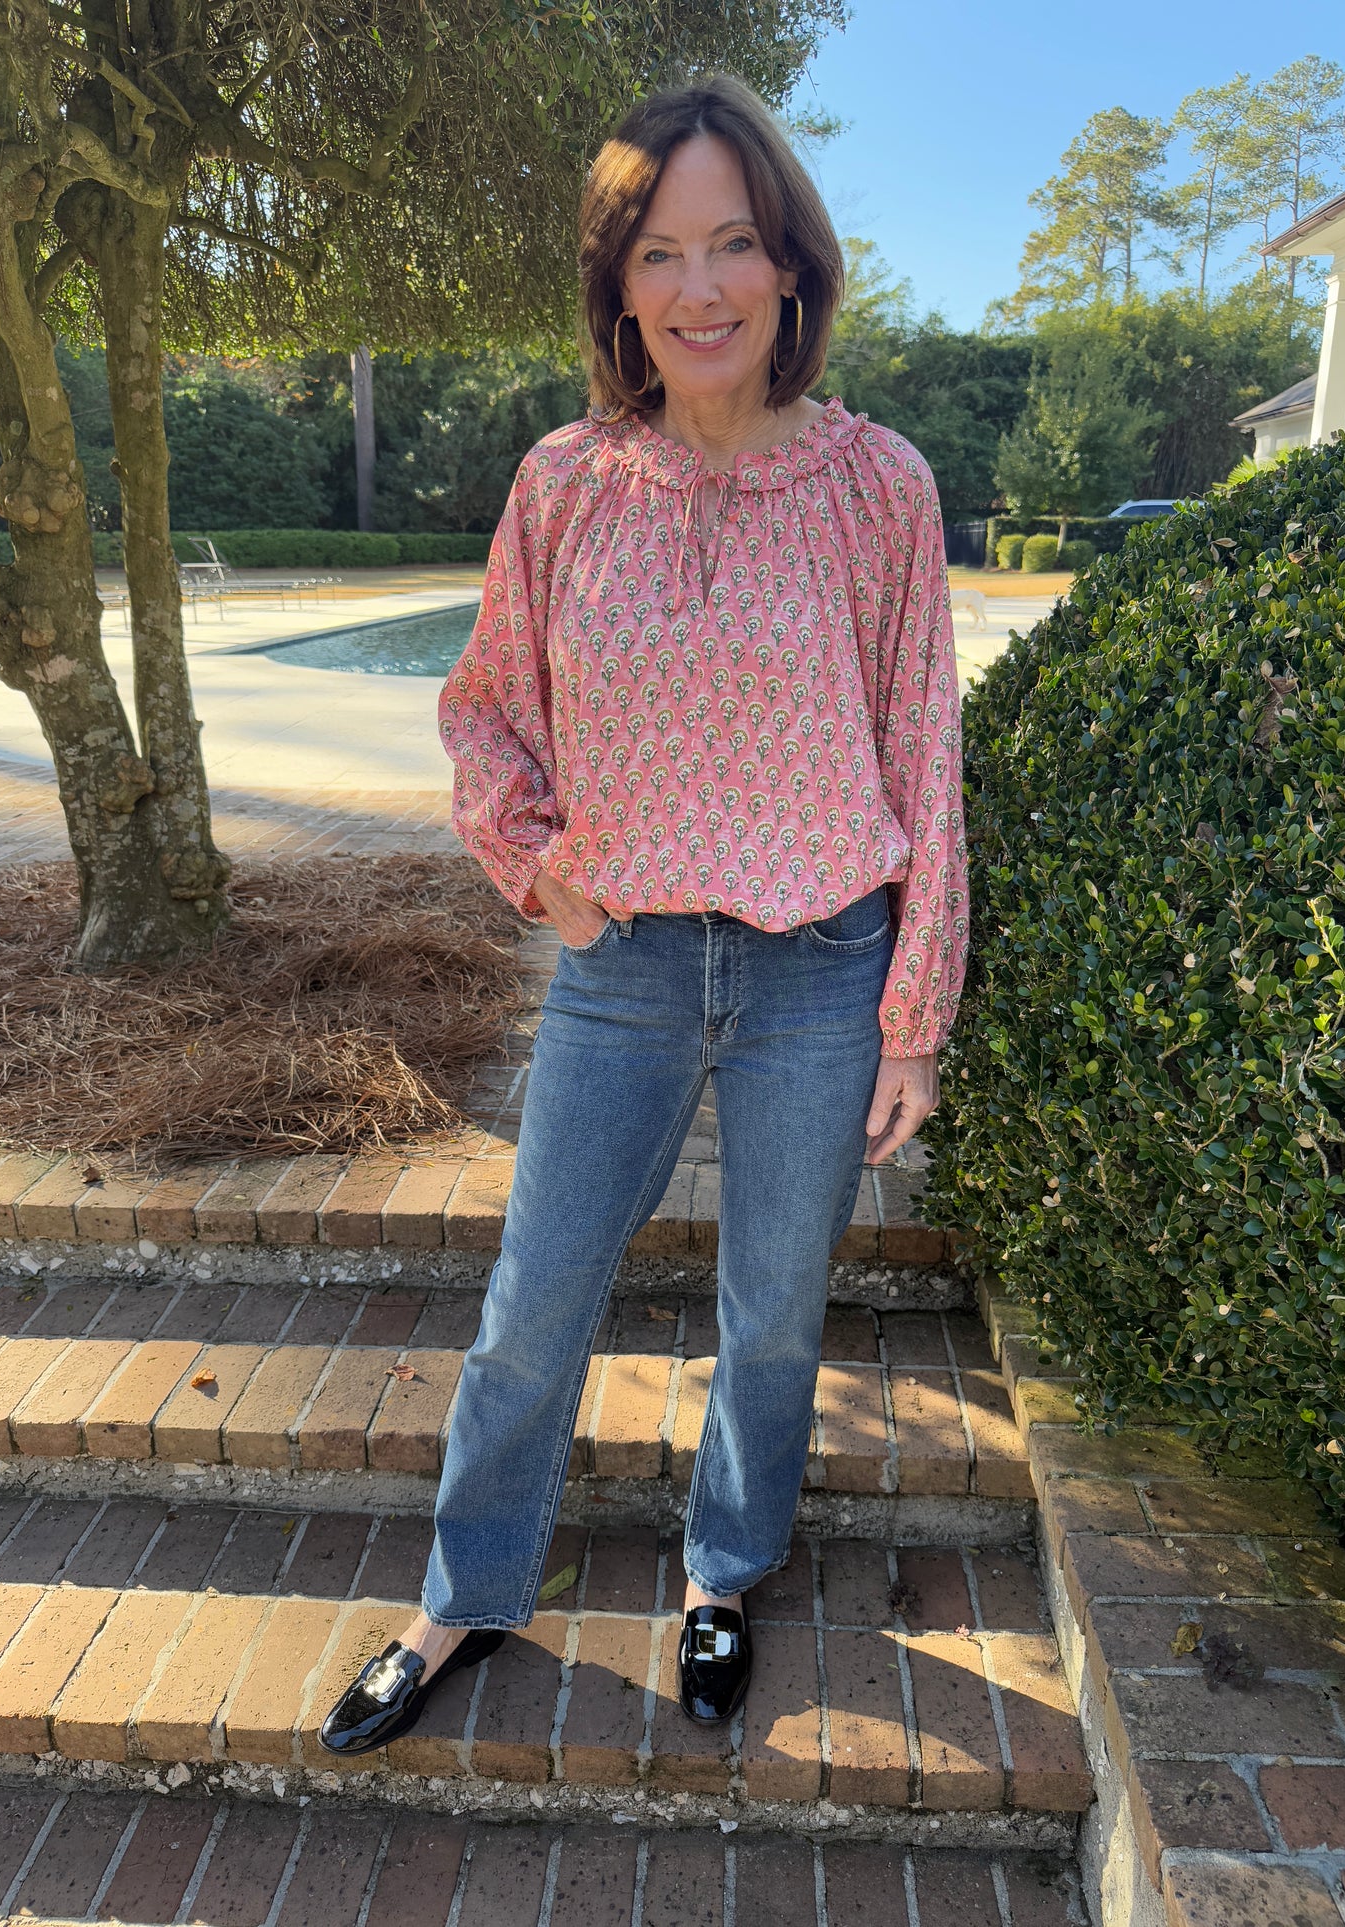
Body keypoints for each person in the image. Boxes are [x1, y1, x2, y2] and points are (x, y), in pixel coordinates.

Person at [319, 71, 967, 1755]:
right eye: (661, 251)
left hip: (823, 968)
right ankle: (465, 1592)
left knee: (772, 1312)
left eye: (734, 244)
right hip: (620, 973)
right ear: (618, 282)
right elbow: (485, 710)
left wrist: (917, 1011)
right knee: (535, 1302)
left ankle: (721, 1576)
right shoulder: (564, 483)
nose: (700, 289)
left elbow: (923, 742)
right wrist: (536, 867)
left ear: (789, 269)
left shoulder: (876, 484)